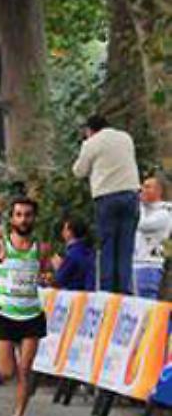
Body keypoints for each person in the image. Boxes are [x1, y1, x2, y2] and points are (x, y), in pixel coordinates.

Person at [0, 197, 48, 416]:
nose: (23, 219)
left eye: (27, 215)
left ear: (34, 218)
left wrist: (48, 277)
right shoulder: (1, 245)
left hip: (32, 315)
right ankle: (7, 370)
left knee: (25, 370)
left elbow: (48, 271)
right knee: (6, 372)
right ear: (12, 218)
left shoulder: (41, 248)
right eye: (19, 215)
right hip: (6, 314)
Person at [72, 114, 141, 293]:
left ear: (90, 130)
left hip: (107, 198)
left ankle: (108, 292)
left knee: (108, 245)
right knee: (125, 245)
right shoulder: (125, 137)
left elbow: (79, 171)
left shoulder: (92, 143)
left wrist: (85, 146)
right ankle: (124, 289)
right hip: (130, 194)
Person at [134, 176, 171, 300]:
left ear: (159, 191)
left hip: (149, 266)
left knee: (145, 304)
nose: (142, 190)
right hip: (138, 264)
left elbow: (142, 224)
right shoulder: (146, 210)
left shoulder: (164, 213)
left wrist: (139, 204)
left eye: (147, 187)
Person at [52, 217, 96, 291]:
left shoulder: (72, 254)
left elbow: (60, 280)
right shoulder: (88, 250)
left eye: (65, 229)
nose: (62, 232)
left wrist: (58, 268)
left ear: (70, 233)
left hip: (75, 294)